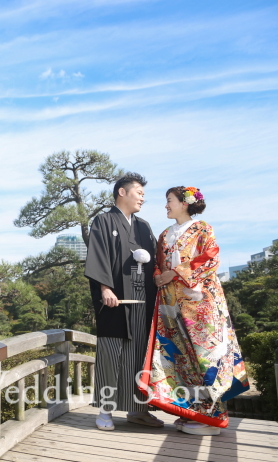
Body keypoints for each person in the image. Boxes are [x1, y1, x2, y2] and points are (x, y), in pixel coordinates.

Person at [141, 186, 249, 435]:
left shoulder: (203, 228)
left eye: (169, 201)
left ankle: (213, 416)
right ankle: (194, 411)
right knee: (181, 358)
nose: (166, 205)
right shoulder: (165, 234)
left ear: (185, 203)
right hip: (171, 302)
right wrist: (158, 275)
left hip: (200, 303)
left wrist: (175, 273)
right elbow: (159, 263)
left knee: (205, 357)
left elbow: (211, 258)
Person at [85, 172, 162, 431]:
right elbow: (98, 254)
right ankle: (105, 410)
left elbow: (156, 260)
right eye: (139, 192)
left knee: (139, 355)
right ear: (122, 192)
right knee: (111, 353)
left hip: (143, 299)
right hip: (114, 299)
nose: (142, 197)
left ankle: (138, 409)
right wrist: (105, 287)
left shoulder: (143, 226)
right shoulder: (104, 221)